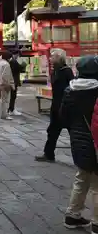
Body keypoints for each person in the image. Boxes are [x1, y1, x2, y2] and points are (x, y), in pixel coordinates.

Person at [59, 55, 98, 231]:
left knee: (82, 177)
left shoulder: (70, 90)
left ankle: (72, 215)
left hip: (77, 139)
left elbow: (63, 117)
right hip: (95, 140)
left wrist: (75, 130)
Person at [36, 48, 75, 162]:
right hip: (56, 106)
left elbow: (71, 88)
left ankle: (81, 157)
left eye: (52, 56)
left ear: (59, 57)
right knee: (52, 131)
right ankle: (48, 154)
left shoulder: (67, 71)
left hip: (66, 107)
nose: (50, 58)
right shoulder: (55, 71)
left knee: (73, 132)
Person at [0, 51, 15, 120]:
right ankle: (4, 115)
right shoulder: (6, 64)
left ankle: (1, 113)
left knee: (0, 100)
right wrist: (8, 85)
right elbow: (6, 76)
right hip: (4, 85)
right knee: (5, 100)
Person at [8, 50, 24, 116]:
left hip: (12, 80)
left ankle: (11, 109)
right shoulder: (13, 61)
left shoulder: (11, 61)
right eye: (18, 55)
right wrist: (23, 63)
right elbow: (20, 68)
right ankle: (11, 109)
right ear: (16, 54)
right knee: (13, 96)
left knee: (12, 96)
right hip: (14, 81)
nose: (18, 56)